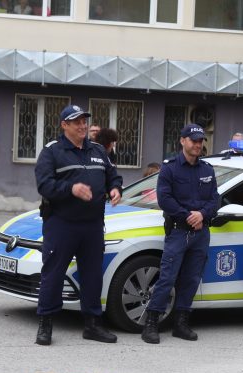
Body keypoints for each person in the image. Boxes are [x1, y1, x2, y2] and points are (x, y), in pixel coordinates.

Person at [33, 105, 123, 346]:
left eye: (84, 121)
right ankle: (46, 323)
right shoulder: (52, 152)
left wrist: (115, 188)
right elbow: (44, 185)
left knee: (93, 275)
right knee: (53, 275)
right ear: (64, 125)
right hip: (62, 223)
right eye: (77, 122)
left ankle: (93, 324)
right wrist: (70, 189)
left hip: (92, 225)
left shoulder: (97, 151)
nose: (83, 126)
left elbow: (112, 175)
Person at [140, 124, 219, 344]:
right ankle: (151, 323)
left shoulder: (207, 169)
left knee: (192, 279)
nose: (197, 144)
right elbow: (164, 199)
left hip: (201, 232)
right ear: (182, 141)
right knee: (167, 278)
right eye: (193, 140)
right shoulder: (170, 168)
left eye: (201, 140)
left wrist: (202, 214)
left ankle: (181, 323)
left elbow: (215, 199)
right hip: (178, 231)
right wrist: (188, 216)